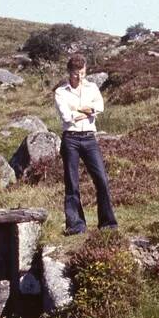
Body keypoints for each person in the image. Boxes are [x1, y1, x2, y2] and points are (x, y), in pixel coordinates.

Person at [54, 54, 118, 235]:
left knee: (102, 180)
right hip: (71, 139)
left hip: (90, 138)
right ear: (69, 72)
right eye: (75, 74)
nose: (79, 78)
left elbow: (100, 107)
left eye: (82, 73)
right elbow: (67, 117)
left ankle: (107, 223)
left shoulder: (92, 87)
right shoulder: (61, 92)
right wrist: (88, 111)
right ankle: (76, 225)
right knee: (72, 183)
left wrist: (78, 109)